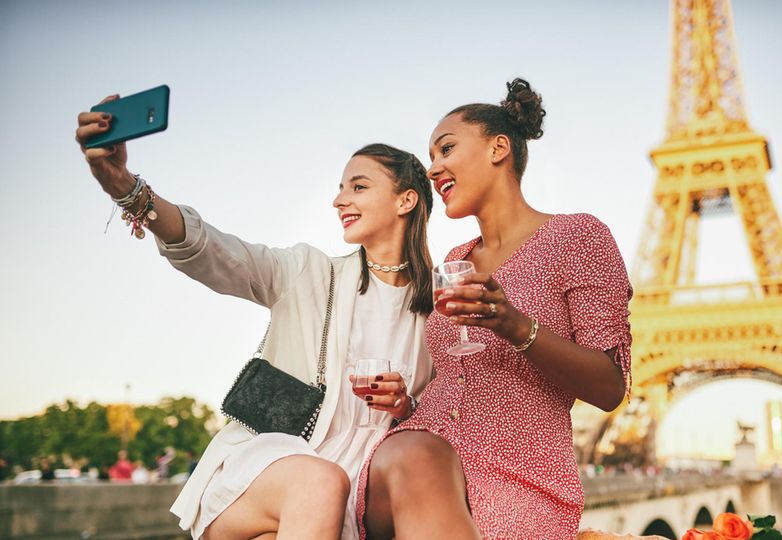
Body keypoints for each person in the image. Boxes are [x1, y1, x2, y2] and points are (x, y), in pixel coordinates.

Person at [75, 97, 435, 540]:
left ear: (407, 200)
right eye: (341, 187)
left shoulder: (440, 308)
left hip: (362, 491)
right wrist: (126, 188)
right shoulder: (309, 271)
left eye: (358, 187)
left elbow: (454, 418)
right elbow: (215, 252)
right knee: (320, 482)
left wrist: (406, 407)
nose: (339, 199)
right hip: (267, 472)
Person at [358, 79, 632, 539]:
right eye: (430, 156)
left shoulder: (579, 238)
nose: (432, 168)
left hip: (522, 481)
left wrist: (515, 325)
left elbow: (609, 388)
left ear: (499, 148)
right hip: (417, 457)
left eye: (446, 149)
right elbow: (459, 384)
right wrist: (406, 404)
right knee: (419, 455)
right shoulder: (454, 262)